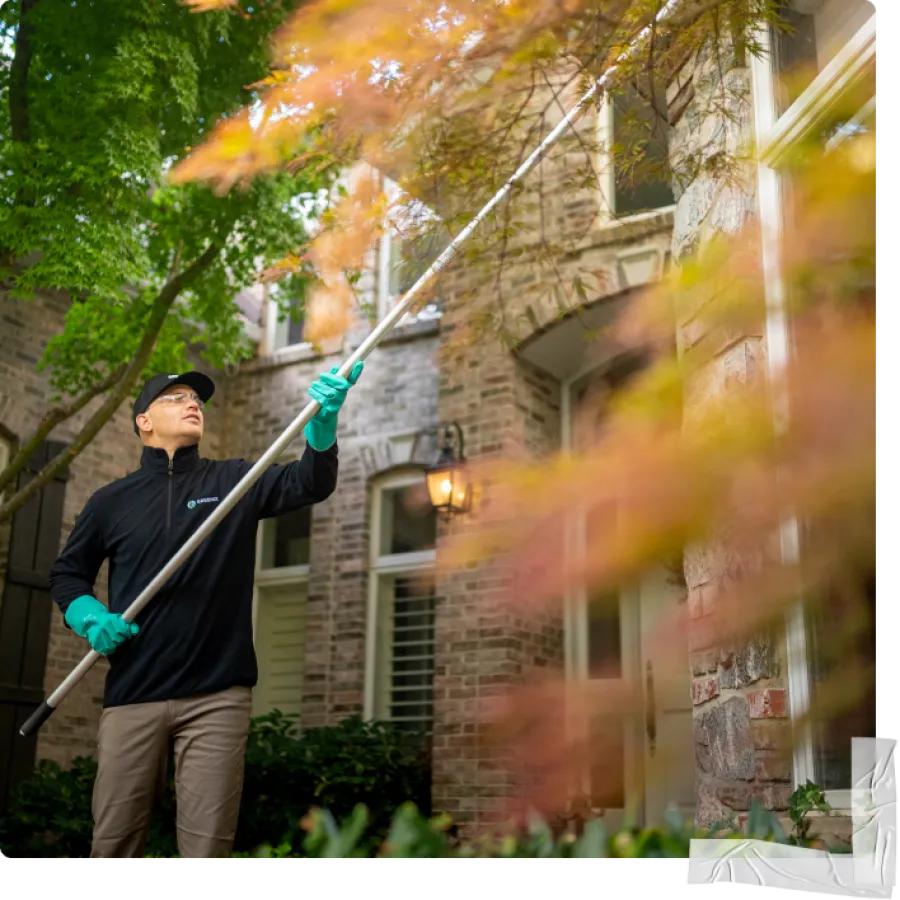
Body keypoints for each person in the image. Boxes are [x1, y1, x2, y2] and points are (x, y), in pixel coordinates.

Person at [48, 362, 364, 862]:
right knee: (111, 845)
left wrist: (322, 427)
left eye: (196, 398)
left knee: (206, 851)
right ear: (143, 421)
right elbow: (68, 575)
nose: (193, 402)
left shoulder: (236, 481)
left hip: (217, 696)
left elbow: (309, 483)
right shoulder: (110, 502)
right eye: (176, 397)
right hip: (134, 694)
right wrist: (89, 616)